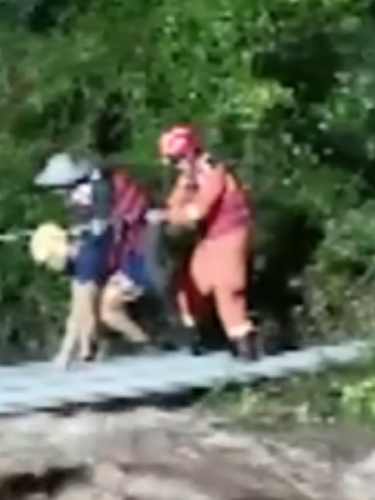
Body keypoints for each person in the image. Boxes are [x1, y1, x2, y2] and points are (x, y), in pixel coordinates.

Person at [33, 152, 164, 367]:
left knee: (93, 306)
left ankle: (91, 352)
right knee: (102, 308)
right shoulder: (89, 199)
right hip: (122, 253)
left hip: (134, 255)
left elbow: (81, 311)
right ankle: (143, 347)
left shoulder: (95, 200)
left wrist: (68, 355)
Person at [156, 124, 259, 360]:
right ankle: (194, 334)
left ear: (189, 153)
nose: (176, 166)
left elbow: (198, 211)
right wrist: (173, 204)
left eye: (176, 160)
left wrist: (169, 216)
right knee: (192, 284)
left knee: (228, 287)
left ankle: (243, 342)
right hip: (211, 238)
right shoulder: (191, 174)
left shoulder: (214, 171)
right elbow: (175, 202)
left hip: (230, 234)